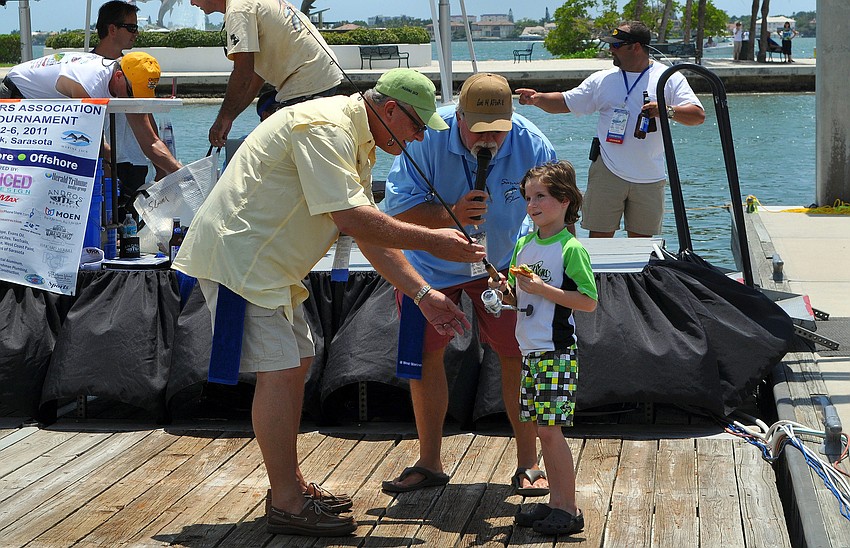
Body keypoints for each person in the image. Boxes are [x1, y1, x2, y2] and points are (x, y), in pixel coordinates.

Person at [171, 68, 486, 537]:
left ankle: (290, 486)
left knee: (297, 361)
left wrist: (422, 294)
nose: (420, 138)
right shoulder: (327, 128)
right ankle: (287, 502)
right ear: (390, 109)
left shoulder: (356, 137)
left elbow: (364, 229)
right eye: (418, 126)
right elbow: (353, 218)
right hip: (244, 260)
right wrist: (437, 242)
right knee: (280, 369)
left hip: (271, 266)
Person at [380, 73, 558, 496]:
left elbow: (556, 213)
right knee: (425, 357)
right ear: (458, 116)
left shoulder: (532, 143)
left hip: (498, 265)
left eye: (499, 129)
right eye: (478, 128)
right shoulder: (425, 137)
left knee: (517, 355)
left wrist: (531, 263)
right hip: (430, 265)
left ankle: (528, 463)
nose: (490, 138)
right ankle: (430, 462)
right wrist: (451, 214)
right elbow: (395, 214)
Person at [516, 21, 705, 239]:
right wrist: (537, 98)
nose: (610, 50)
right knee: (600, 240)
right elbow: (565, 102)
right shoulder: (603, 79)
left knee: (641, 247)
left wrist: (665, 110)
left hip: (649, 176)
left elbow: (697, 116)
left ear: (635, 47)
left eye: (616, 45)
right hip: (607, 170)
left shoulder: (668, 78)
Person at [489, 160, 597, 536]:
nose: (532, 204)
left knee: (551, 432)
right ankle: (554, 503)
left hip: (557, 353)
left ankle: (568, 509)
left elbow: (588, 301)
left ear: (565, 201)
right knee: (538, 429)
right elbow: (520, 297)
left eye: (541, 197)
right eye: (528, 197)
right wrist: (504, 293)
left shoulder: (570, 248)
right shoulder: (524, 244)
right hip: (530, 353)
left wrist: (543, 289)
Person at [189, 0, 342, 147]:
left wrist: (222, 120)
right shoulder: (248, 3)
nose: (191, 3)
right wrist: (229, 117)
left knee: (274, 156)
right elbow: (256, 75)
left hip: (307, 82)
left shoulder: (238, 9)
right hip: (323, 76)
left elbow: (243, 72)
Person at [92, 0, 182, 206]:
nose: (136, 33)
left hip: (136, 159)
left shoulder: (135, 67)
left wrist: (161, 166)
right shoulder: (87, 71)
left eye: (136, 27)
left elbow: (145, 111)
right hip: (103, 161)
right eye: (131, 27)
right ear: (112, 29)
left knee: (129, 228)